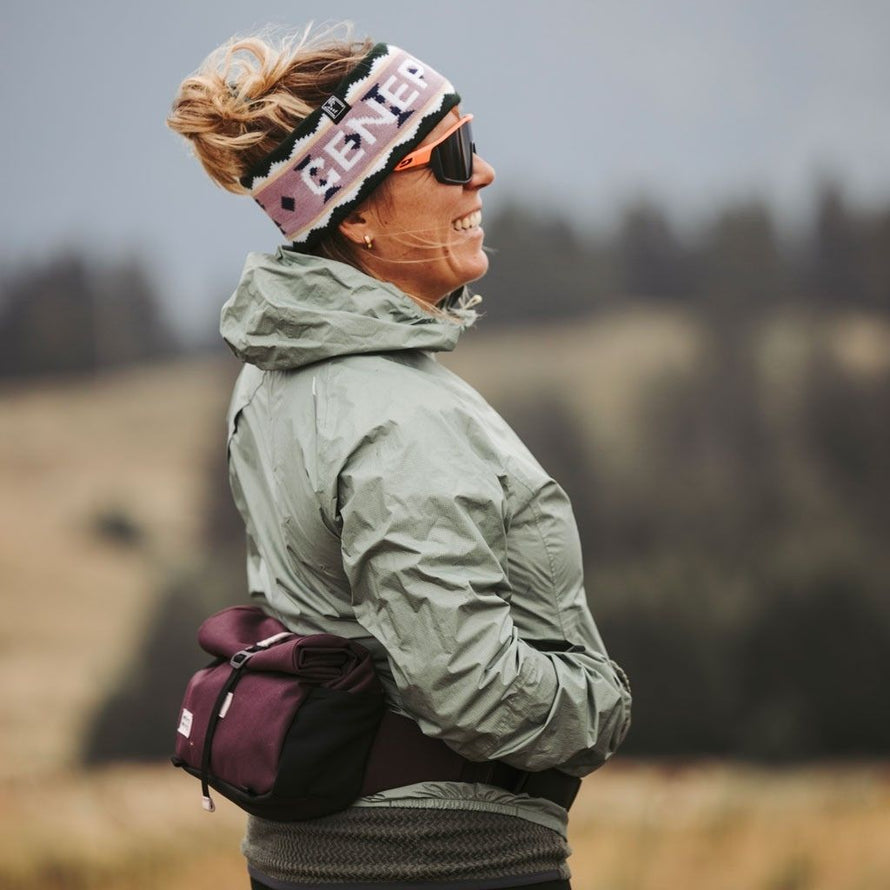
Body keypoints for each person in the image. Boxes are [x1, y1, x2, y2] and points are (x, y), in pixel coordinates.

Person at [168, 26, 632, 890]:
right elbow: (469, 685)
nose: (482, 173)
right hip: (442, 860)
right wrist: (601, 708)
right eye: (451, 154)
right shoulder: (394, 417)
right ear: (360, 214)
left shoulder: (278, 376)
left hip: (317, 853)